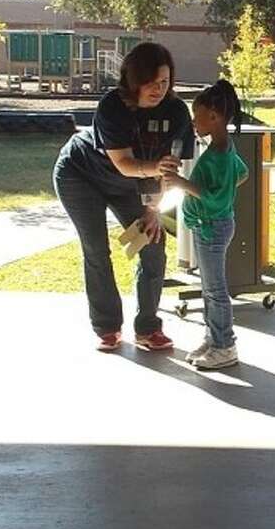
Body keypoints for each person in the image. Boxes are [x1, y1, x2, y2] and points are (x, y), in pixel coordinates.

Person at [53, 42, 193, 352]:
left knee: (153, 244)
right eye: (150, 81)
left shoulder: (177, 112)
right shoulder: (113, 106)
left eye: (164, 81)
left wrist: (153, 209)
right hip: (80, 176)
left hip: (132, 184)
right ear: (134, 79)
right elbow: (125, 164)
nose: (158, 89)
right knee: (96, 249)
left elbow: (170, 169)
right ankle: (107, 327)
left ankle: (148, 328)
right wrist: (155, 168)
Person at [161, 80, 249, 370]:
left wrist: (182, 183)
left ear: (214, 117)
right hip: (208, 226)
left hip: (212, 227)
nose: (193, 122)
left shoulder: (219, 155)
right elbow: (242, 173)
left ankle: (225, 346)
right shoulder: (223, 149)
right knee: (209, 288)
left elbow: (215, 198)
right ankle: (213, 339)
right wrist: (224, 189)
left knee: (215, 290)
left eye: (196, 116)